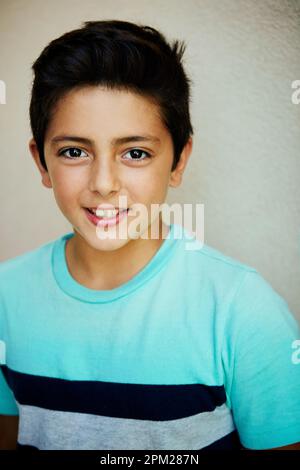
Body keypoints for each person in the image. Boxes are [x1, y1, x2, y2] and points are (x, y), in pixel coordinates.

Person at [0, 20, 299, 451]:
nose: (104, 183)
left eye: (135, 153)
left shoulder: (242, 311)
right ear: (41, 163)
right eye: (74, 152)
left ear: (179, 162)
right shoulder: (7, 298)